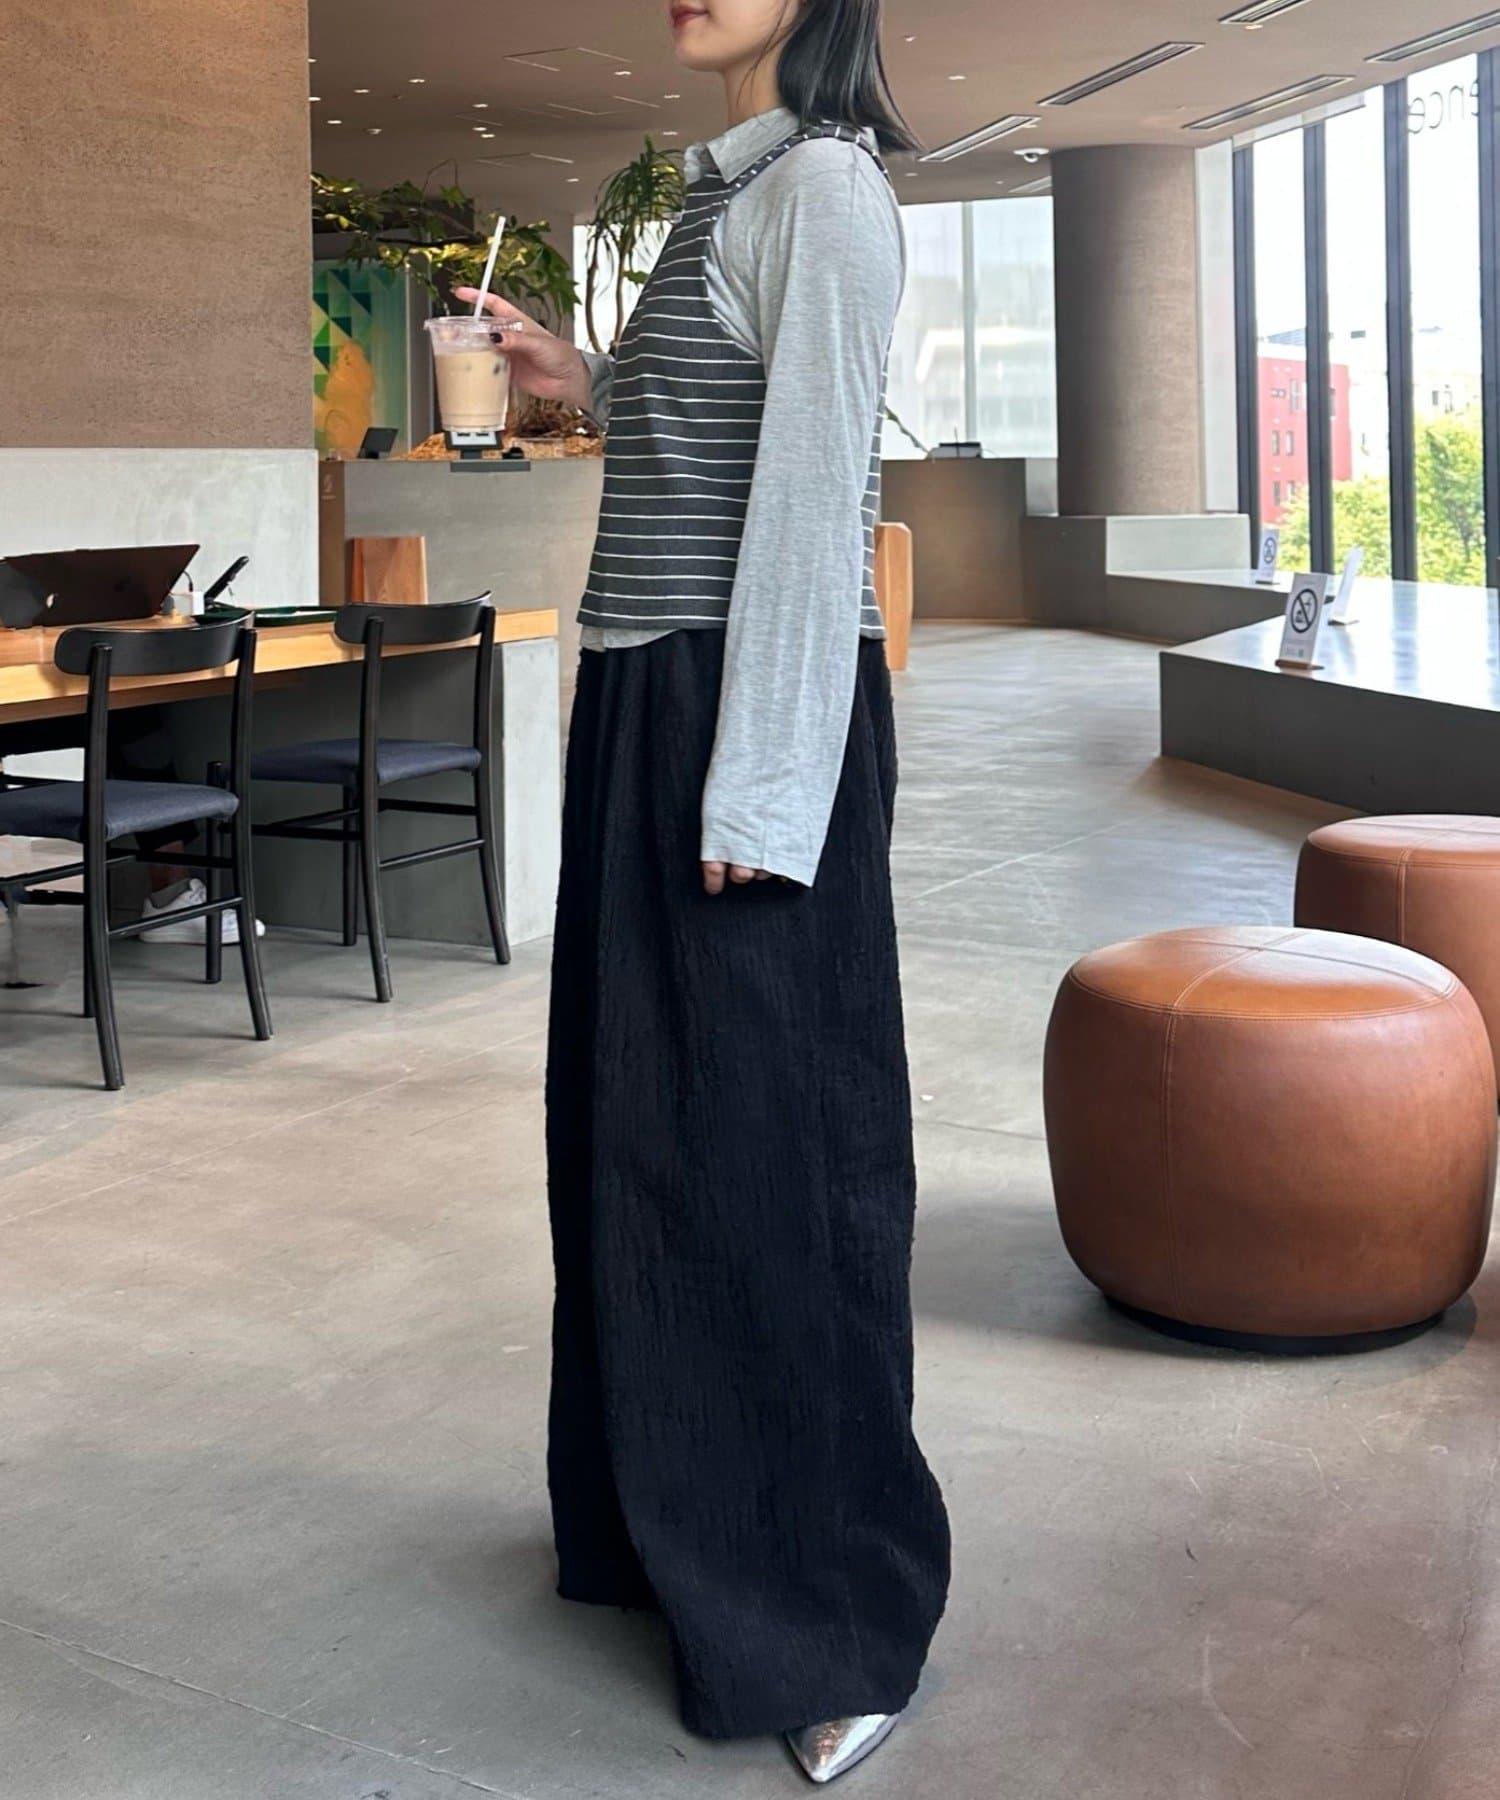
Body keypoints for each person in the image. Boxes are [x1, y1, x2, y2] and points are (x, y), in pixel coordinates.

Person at [458, 0, 949, 1781]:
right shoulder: (726, 192)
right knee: (639, 1138)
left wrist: (760, 781)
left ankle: (837, 1617)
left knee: (775, 1161)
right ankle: (672, 1534)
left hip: (741, 709)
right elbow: (716, 443)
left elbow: (817, 504)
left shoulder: (825, 189)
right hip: (653, 698)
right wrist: (581, 383)